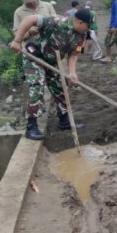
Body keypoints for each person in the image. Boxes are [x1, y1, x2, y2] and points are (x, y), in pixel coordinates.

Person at [10, 10, 91, 140]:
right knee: (37, 87)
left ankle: (65, 121)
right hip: (35, 57)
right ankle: (31, 127)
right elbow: (29, 19)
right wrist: (17, 40)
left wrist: (72, 73)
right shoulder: (56, 21)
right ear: (80, 22)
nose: (89, 29)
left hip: (52, 61)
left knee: (60, 87)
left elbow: (74, 54)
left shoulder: (83, 36)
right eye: (88, 26)